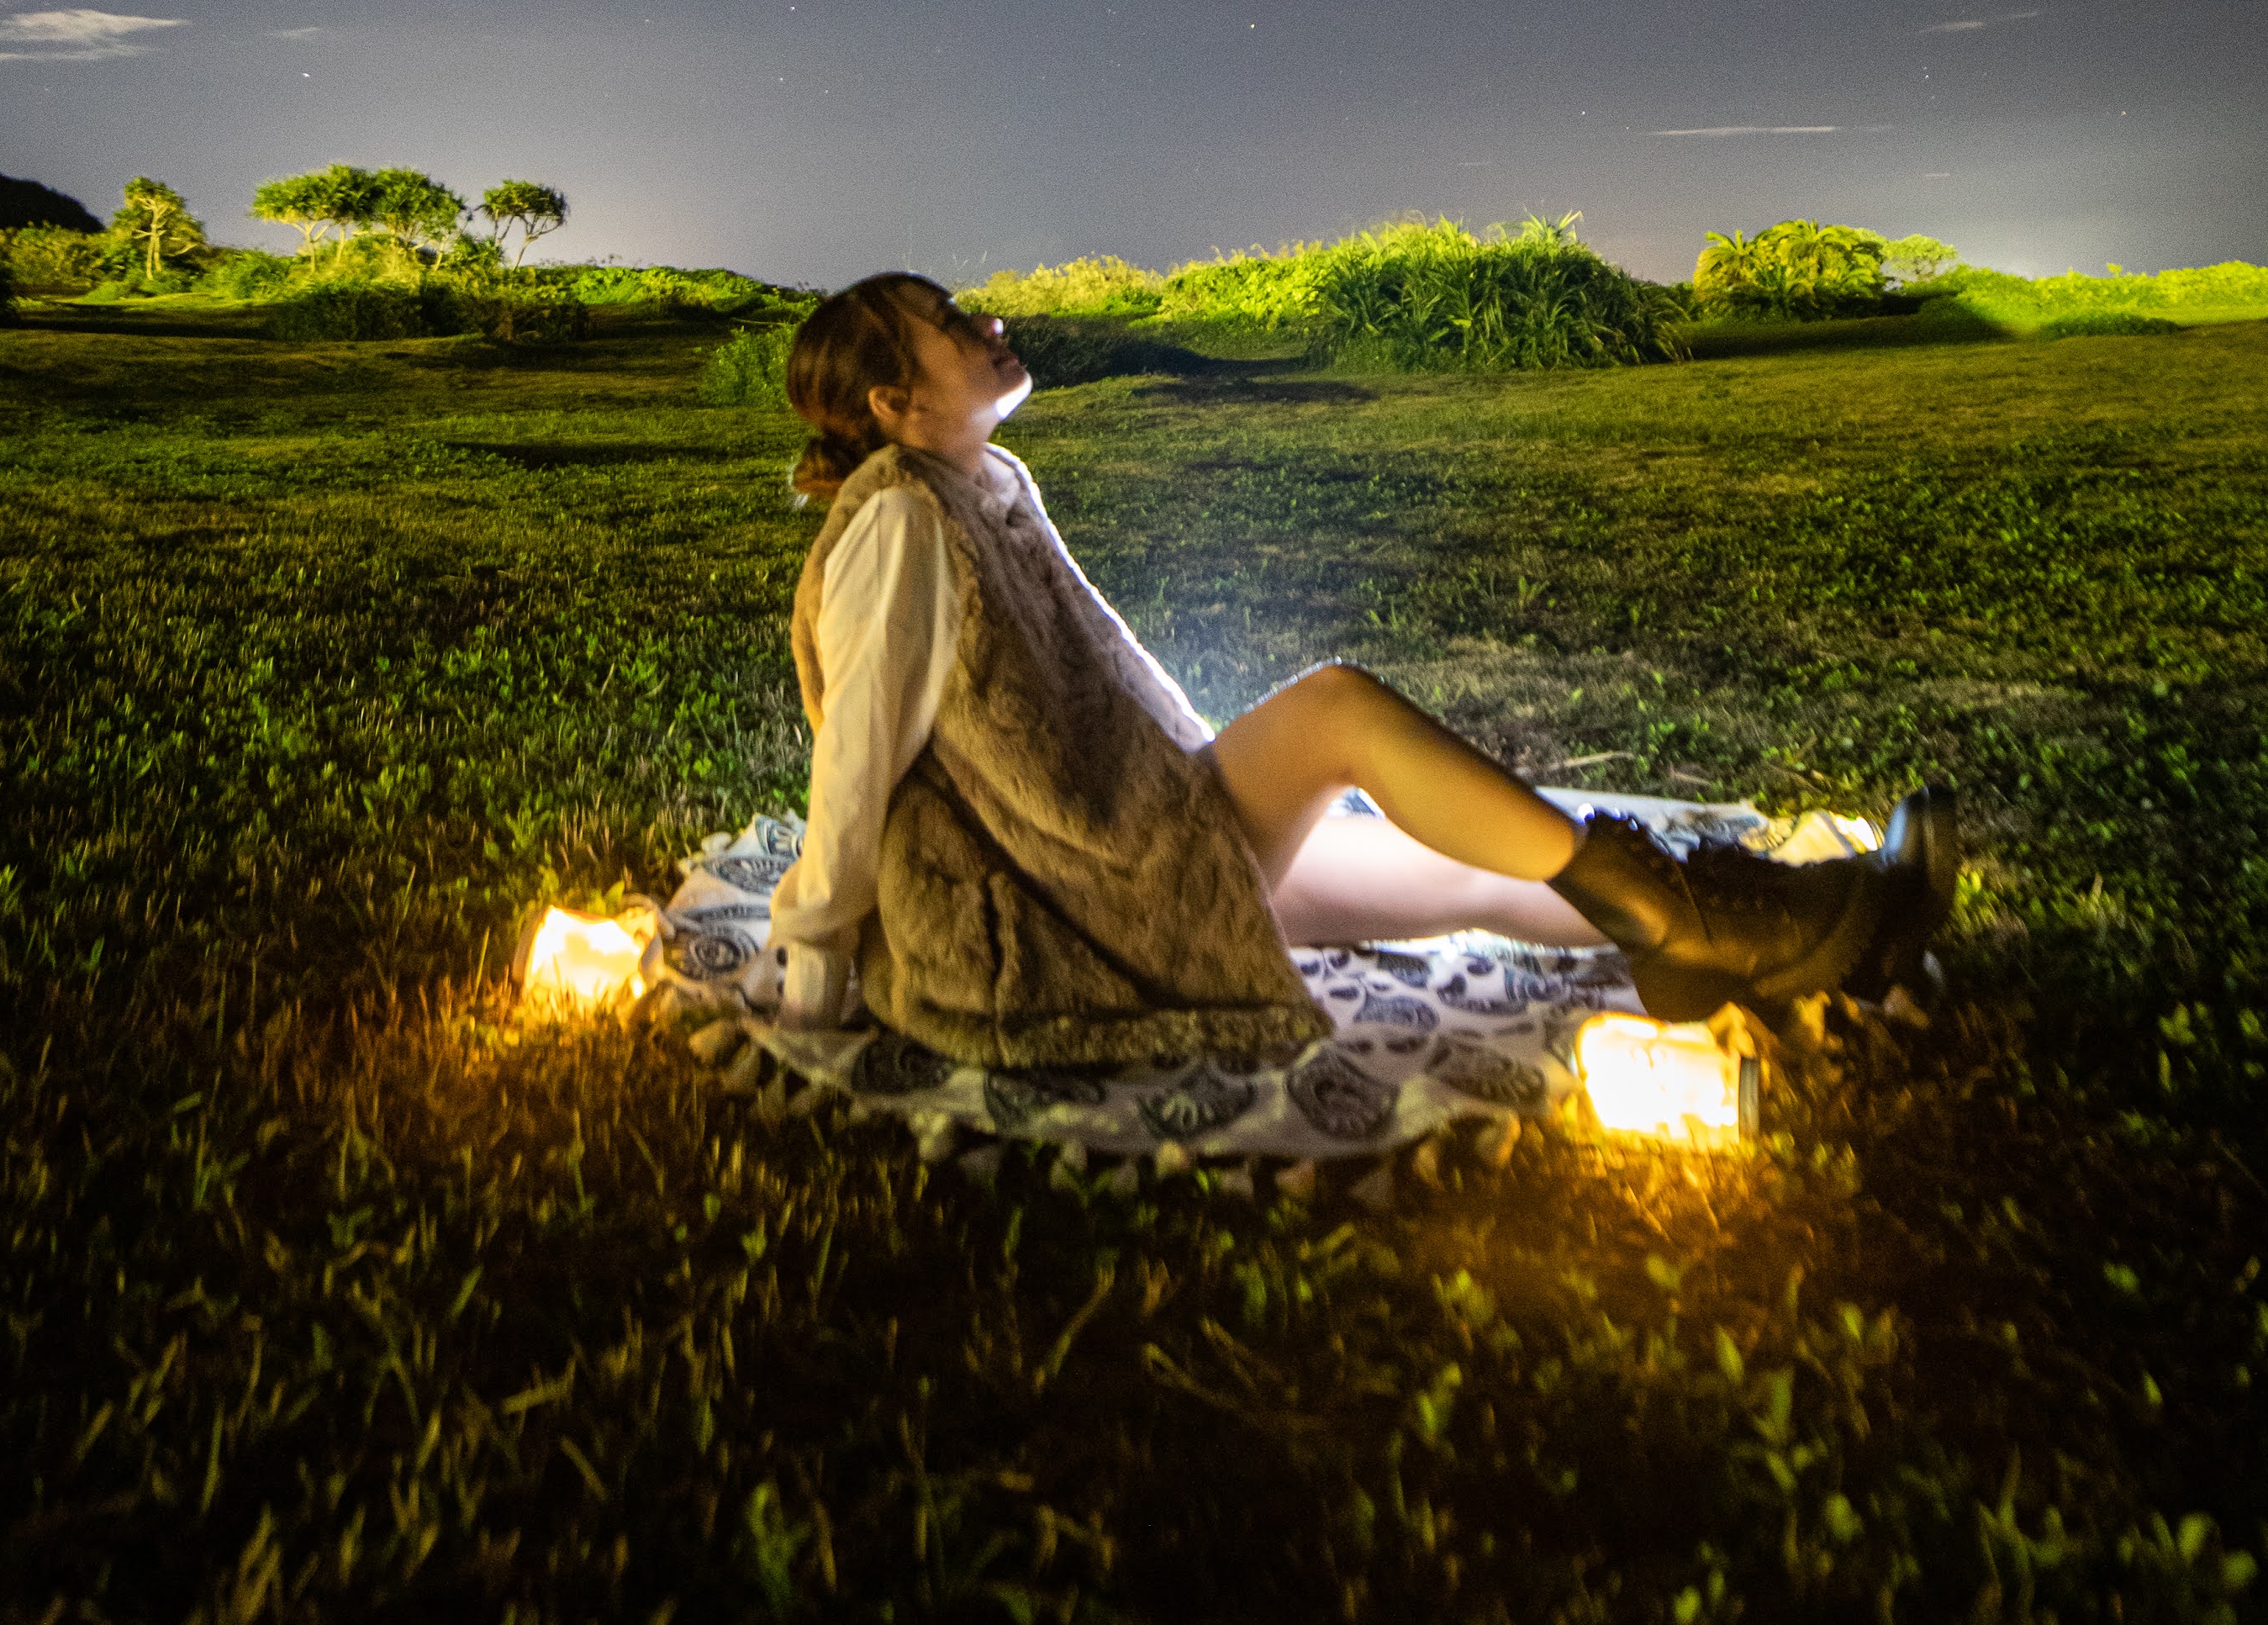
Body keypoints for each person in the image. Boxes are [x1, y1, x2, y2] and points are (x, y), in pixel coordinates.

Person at [760, 271, 1957, 1067]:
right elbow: (858, 753)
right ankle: (1693, 911)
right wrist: (814, 959)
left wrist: (1196, 774)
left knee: (1475, 871)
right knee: (1334, 710)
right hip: (1083, 893)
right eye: (953, 320)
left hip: (1129, 860)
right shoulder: (898, 524)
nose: (989, 324)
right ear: (895, 400)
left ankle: (1811, 932)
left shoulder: (980, 485)